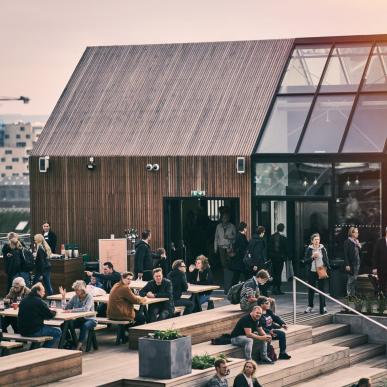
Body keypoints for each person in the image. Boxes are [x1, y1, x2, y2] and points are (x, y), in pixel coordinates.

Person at [18, 282, 62, 348]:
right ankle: (44, 350)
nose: (44, 293)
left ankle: (36, 349)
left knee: (45, 327)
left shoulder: (24, 300)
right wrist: (55, 312)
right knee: (57, 332)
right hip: (34, 331)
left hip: (22, 331)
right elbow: (49, 315)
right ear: (38, 291)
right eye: (43, 291)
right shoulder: (39, 301)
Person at [60, 280, 97, 351]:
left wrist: (71, 310)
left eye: (77, 290)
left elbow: (86, 309)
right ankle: (70, 341)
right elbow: (66, 308)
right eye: (75, 290)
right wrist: (63, 297)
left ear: (82, 290)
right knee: (64, 325)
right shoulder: (75, 297)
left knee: (84, 326)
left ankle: (79, 346)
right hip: (79, 319)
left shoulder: (89, 297)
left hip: (90, 319)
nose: (76, 292)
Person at [303, 233, 330, 314]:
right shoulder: (309, 249)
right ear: (312, 241)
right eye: (315, 240)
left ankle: (323, 307)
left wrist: (327, 268)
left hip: (321, 270)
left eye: (318, 239)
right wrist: (312, 258)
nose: (317, 241)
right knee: (311, 289)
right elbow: (305, 261)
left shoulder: (323, 248)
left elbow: (326, 259)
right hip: (312, 271)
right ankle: (310, 306)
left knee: (322, 290)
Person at [214, 211, 236, 293]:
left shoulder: (232, 226)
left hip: (229, 247)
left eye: (226, 217)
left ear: (228, 218)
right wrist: (215, 247)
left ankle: (229, 283)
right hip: (221, 247)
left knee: (230, 264)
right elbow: (216, 237)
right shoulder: (218, 226)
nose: (224, 219)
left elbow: (235, 236)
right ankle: (226, 281)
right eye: (223, 217)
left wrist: (229, 237)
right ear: (221, 218)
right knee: (223, 264)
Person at [268, 223, 288, 295]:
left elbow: (269, 248)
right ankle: (278, 289)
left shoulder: (272, 237)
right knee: (278, 273)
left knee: (274, 273)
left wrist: (270, 257)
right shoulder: (283, 238)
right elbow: (286, 249)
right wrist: (285, 257)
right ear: (282, 229)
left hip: (273, 258)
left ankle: (274, 288)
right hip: (280, 258)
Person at [344, 227, 361, 297]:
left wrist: (359, 246)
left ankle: (353, 295)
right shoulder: (347, 242)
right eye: (356, 232)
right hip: (351, 264)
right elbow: (345, 254)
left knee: (355, 279)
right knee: (350, 280)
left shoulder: (356, 242)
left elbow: (359, 253)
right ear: (352, 233)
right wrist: (347, 264)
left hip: (357, 263)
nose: (358, 234)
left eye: (357, 232)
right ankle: (348, 296)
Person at [372, 227, 387, 295]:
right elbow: (375, 255)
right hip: (382, 268)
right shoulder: (379, 241)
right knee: (382, 286)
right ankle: (382, 303)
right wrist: (375, 268)